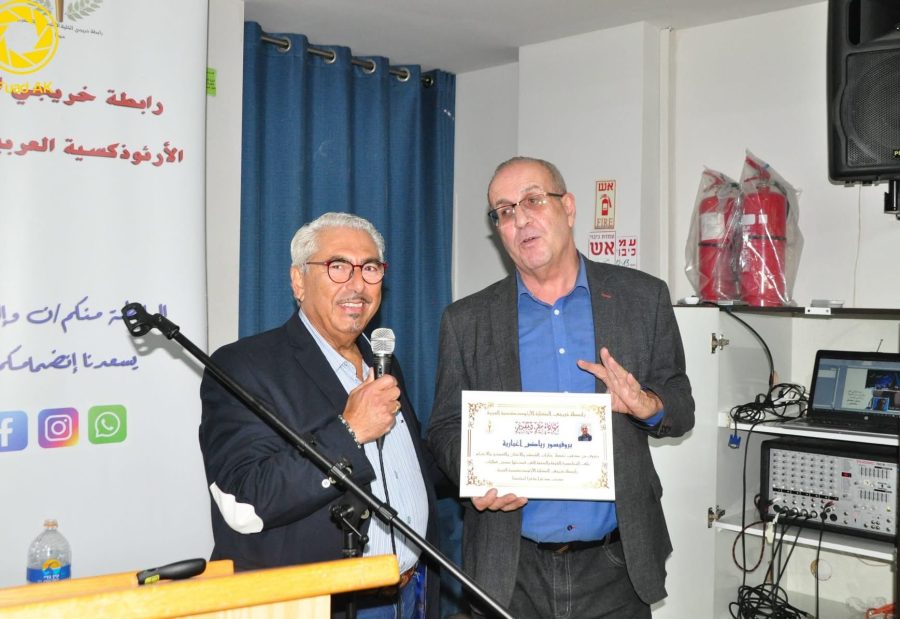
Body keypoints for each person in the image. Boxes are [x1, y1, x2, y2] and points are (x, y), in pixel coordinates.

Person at [427, 157, 695, 618]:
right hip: (510, 568)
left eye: (533, 200)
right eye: (504, 211)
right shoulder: (466, 321)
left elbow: (681, 403)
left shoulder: (642, 298)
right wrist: (474, 474)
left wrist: (646, 403)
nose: (520, 219)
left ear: (568, 207)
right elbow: (445, 427)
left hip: (616, 566)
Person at [199, 212, 438, 619]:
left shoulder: (383, 362)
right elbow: (245, 500)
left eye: (370, 268)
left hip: (410, 596)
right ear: (298, 281)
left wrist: (486, 468)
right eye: (338, 266)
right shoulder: (244, 366)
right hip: (320, 604)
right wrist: (349, 431)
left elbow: (408, 470)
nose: (357, 284)